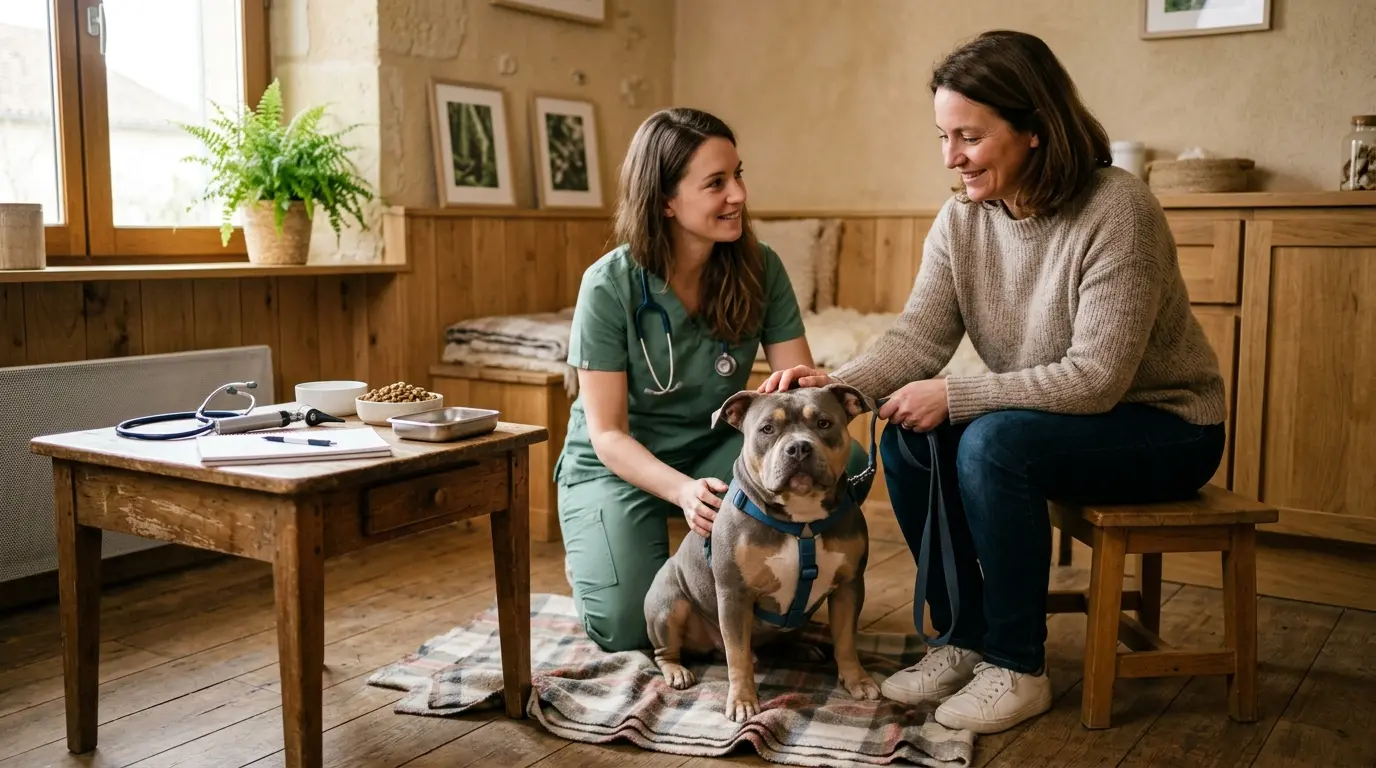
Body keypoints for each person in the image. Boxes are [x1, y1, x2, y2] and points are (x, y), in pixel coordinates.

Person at [763, 30, 1227, 734]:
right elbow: (919, 337)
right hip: (1055, 424)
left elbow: (1097, 380)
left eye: (969, 137)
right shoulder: (962, 221)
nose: (950, 157)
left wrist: (956, 395)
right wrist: (834, 390)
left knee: (990, 443)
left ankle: (1017, 664)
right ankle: (963, 637)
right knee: (908, 438)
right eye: (943, 136)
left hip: (1166, 427)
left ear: (1033, 129)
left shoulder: (1119, 210)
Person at [556, 107, 874, 653]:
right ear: (665, 200)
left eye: (738, 174)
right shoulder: (608, 284)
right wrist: (680, 492)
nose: (740, 195)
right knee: (626, 628)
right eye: (716, 183)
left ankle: (789, 586)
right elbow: (607, 434)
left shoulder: (760, 266)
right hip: (619, 464)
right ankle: (612, 547)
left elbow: (797, 392)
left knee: (852, 462)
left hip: (712, 449)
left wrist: (811, 381)